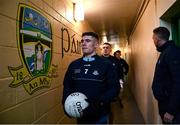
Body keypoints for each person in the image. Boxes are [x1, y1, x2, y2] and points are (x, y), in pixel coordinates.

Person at [62, 32, 120, 124]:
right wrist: (66, 104)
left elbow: (115, 88)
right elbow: (67, 86)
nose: (83, 43)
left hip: (100, 115)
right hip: (81, 116)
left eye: (87, 41)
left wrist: (100, 102)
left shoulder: (106, 65)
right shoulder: (74, 65)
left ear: (96, 45)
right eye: (82, 41)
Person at [152, 27, 180, 124]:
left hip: (172, 110)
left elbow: (178, 82)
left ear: (157, 39)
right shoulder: (165, 52)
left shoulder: (172, 52)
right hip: (165, 104)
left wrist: (171, 111)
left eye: (153, 39)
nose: (153, 41)